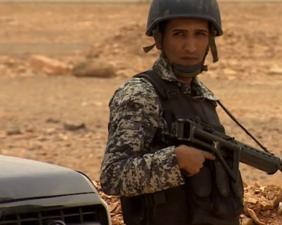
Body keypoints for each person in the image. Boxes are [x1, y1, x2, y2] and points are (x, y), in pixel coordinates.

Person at [100, 0, 244, 225]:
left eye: (199, 34)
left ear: (210, 40)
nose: (191, 47)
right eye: (179, 34)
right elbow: (113, 175)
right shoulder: (141, 94)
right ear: (159, 39)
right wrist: (175, 161)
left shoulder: (202, 97)